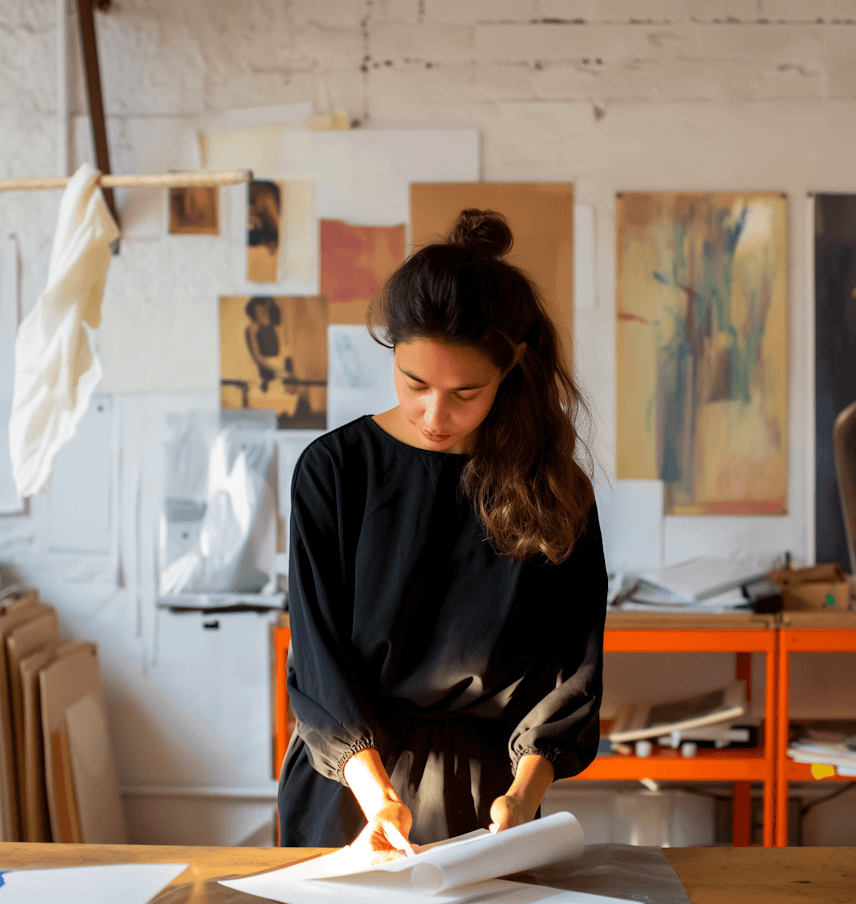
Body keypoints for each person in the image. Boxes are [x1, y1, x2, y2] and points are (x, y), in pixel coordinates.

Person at [277, 209, 607, 860]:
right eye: (415, 383)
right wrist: (377, 795)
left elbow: (571, 669)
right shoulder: (333, 471)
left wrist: (524, 795)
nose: (435, 415)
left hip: (490, 793)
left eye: (466, 392)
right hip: (349, 787)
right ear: (392, 352)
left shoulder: (553, 488)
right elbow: (317, 660)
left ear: (510, 369)